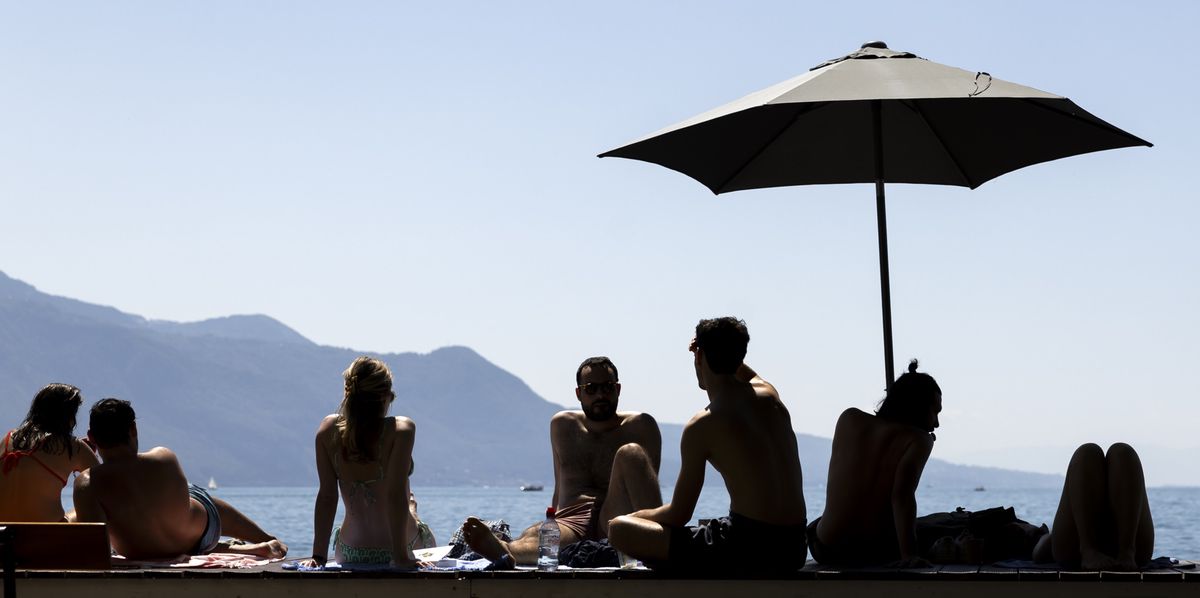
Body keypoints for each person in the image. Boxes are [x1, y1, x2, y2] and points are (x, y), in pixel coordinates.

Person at [607, 317, 808, 574]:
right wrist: (714, 349)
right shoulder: (770, 395)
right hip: (793, 549)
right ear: (739, 355)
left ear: (699, 355)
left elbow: (678, 514)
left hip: (747, 550)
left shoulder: (702, 424)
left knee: (620, 530)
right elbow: (739, 365)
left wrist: (632, 517)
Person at [461, 356, 663, 567]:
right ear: (579, 393)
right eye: (591, 388)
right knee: (541, 537)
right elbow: (560, 487)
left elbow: (646, 490)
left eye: (607, 387)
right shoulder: (563, 426)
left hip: (617, 517)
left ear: (618, 389)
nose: (601, 394)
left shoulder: (641, 426)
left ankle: (658, 541)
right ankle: (506, 551)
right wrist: (549, 523)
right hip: (572, 520)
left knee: (630, 454)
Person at [72, 398, 287, 560]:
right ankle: (266, 538)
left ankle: (249, 547)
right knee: (197, 495)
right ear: (133, 429)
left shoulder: (87, 483)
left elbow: (96, 548)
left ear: (91, 437)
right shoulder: (163, 457)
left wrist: (94, 468)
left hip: (144, 553)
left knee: (155, 522)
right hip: (202, 534)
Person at [807, 359, 941, 567]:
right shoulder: (918, 440)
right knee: (943, 525)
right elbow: (902, 498)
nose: (937, 423)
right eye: (936, 412)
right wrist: (908, 557)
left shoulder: (848, 418)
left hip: (824, 547)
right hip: (872, 552)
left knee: (819, 523)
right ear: (918, 407)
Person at [299, 356, 419, 569]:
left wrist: (318, 556)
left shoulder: (328, 430)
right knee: (410, 504)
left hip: (349, 552)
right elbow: (394, 494)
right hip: (402, 547)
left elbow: (327, 496)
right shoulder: (401, 429)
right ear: (385, 396)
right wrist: (400, 557)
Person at [1032, 443, 1154, 571]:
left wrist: (1046, 542)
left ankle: (1089, 549)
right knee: (1119, 452)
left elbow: (1040, 552)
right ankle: (1125, 550)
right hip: (1136, 549)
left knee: (1090, 453)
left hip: (1073, 548)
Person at [0, 383, 99, 522]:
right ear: (68, 416)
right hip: (48, 534)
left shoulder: (7, 439)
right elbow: (105, 486)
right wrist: (87, 452)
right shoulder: (73, 447)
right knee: (86, 507)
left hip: (3, 533)